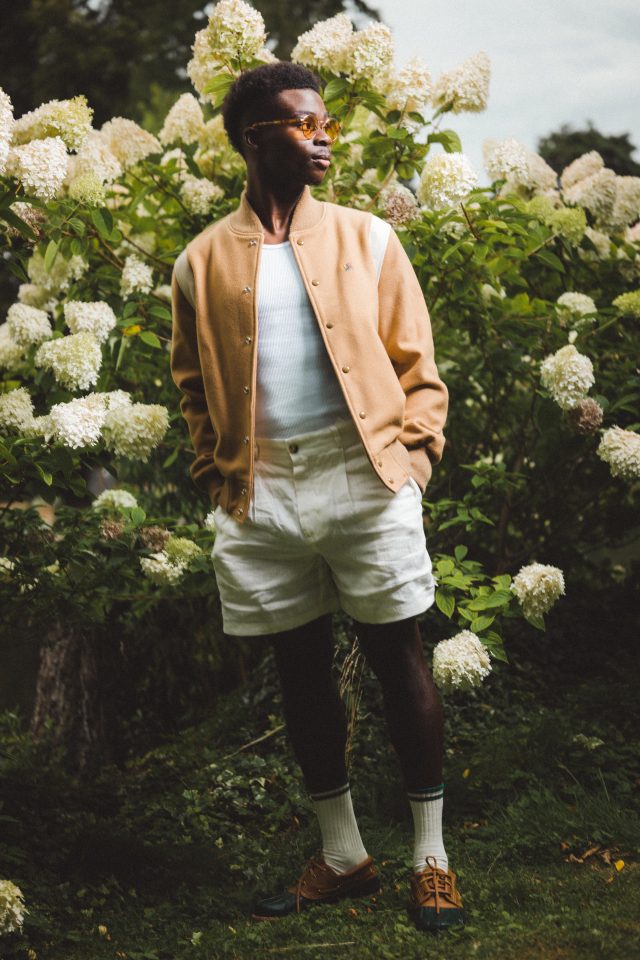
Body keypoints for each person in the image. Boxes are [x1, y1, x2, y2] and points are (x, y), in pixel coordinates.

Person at [170, 60, 464, 932]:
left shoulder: (369, 238)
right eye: (302, 124)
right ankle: (343, 855)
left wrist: (414, 460)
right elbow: (191, 384)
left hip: (365, 474)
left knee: (397, 657)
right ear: (255, 140)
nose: (323, 135)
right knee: (299, 675)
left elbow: (419, 367)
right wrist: (219, 475)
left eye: (326, 121)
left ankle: (430, 858)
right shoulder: (198, 262)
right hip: (259, 494)